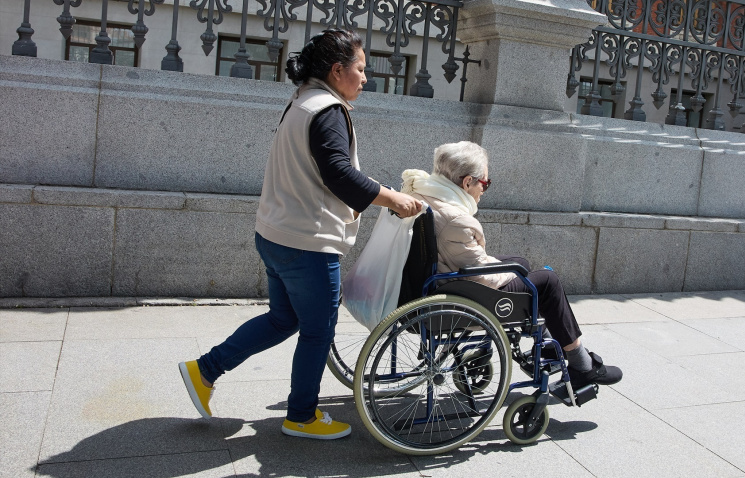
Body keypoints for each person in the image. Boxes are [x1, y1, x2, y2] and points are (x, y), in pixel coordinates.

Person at [178, 29, 421, 440]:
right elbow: (339, 176)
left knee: (283, 318)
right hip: (307, 244)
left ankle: (205, 370)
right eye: (360, 70)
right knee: (317, 330)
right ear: (337, 69)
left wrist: (381, 189)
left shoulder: (303, 101)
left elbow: (326, 171)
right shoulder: (328, 109)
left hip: (276, 235)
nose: (365, 79)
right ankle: (302, 416)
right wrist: (393, 200)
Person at [401, 141, 622, 389]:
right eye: (484, 183)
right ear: (467, 182)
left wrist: (511, 268)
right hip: (454, 293)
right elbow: (481, 277)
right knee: (547, 282)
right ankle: (582, 365)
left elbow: (467, 259)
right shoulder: (457, 220)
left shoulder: (423, 194)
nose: (484, 190)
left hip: (432, 280)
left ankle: (551, 344)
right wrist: (510, 272)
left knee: (521, 263)